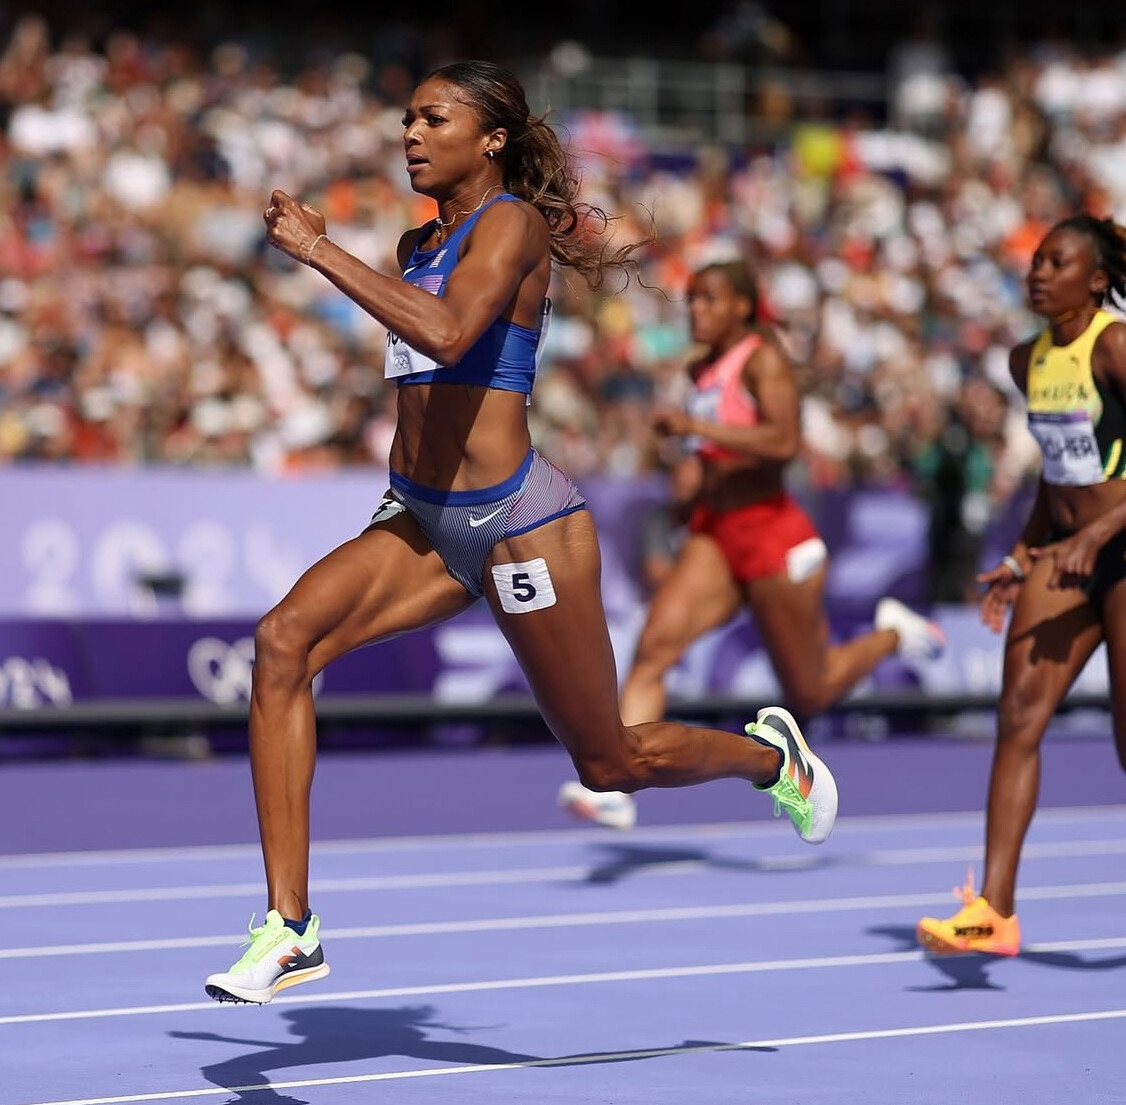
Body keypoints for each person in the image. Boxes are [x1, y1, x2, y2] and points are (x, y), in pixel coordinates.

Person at [203, 60, 839, 1006]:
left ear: (491, 138)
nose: (411, 134)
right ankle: (289, 927)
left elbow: (450, 334)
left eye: (434, 119)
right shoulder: (417, 240)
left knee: (608, 760)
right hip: (421, 521)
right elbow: (423, 374)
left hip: (519, 523)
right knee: (281, 642)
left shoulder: (511, 224)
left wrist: (320, 251)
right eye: (407, 118)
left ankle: (771, 759)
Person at [557, 258, 945, 832]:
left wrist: (699, 431)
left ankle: (894, 633)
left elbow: (784, 442)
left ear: (743, 306)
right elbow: (713, 456)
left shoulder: (763, 359)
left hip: (771, 533)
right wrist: (691, 477)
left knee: (809, 692)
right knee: (654, 649)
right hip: (716, 533)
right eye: (692, 299)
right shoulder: (700, 371)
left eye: (710, 299)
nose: (696, 310)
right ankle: (619, 788)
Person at [917, 213, 1126, 956]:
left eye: (1057, 261)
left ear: (1096, 280)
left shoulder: (1115, 347)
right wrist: (1019, 554)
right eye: (1035, 260)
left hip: (1121, 554)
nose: (1038, 272)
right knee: (1017, 718)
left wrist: (1099, 533)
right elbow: (1059, 471)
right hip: (1063, 558)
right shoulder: (1024, 360)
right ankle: (994, 911)